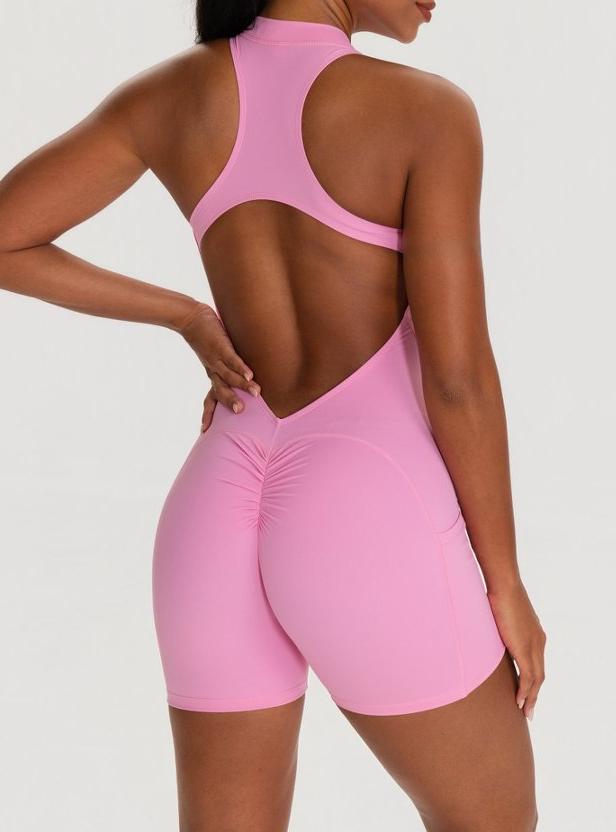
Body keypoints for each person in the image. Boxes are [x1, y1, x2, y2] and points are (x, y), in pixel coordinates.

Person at [0, 1, 547, 829]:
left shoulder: (171, 94)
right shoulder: (427, 112)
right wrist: (504, 581)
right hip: (367, 501)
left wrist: (188, 315)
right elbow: (458, 379)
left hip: (214, 501)